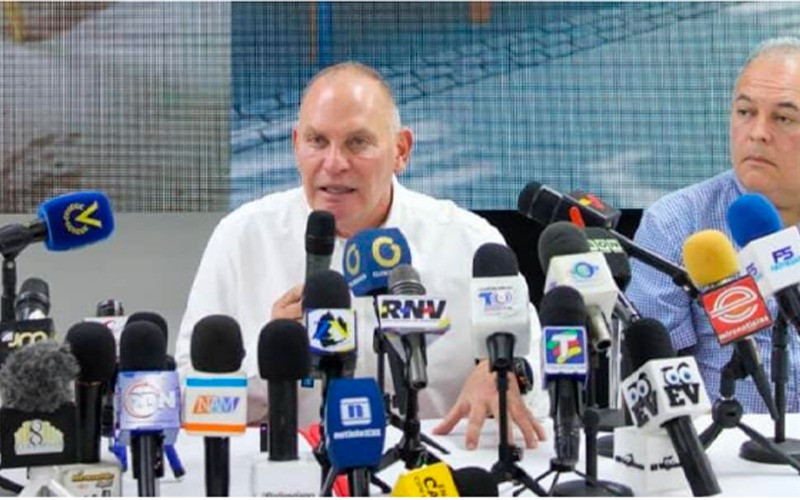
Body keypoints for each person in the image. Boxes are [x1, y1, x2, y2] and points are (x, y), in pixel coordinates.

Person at [176, 61, 547, 450]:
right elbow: (190, 397)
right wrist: (269, 361)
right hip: (296, 472)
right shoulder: (243, 239)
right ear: (296, 145)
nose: (334, 163)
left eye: (357, 142)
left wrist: (506, 376)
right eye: (317, 141)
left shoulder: (467, 242)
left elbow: (536, 369)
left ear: (401, 150)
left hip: (438, 470)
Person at [627, 37, 800, 413]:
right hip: (725, 441)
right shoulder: (675, 226)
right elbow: (652, 381)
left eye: (784, 118)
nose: (757, 132)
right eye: (745, 112)